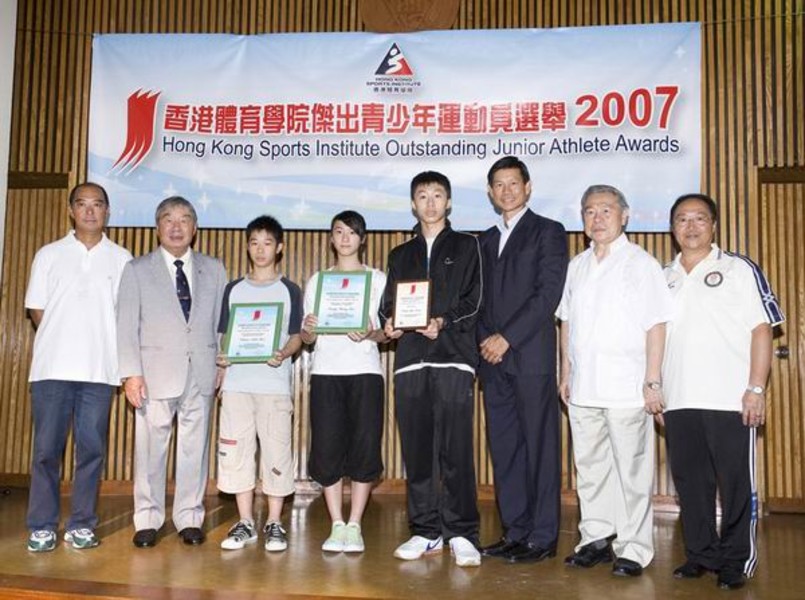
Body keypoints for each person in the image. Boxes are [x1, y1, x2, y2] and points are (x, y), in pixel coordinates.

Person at [662, 193, 784, 590]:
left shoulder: (738, 269)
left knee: (735, 484)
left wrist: (756, 387)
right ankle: (700, 554)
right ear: (673, 228)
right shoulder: (664, 276)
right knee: (690, 484)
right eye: (682, 220)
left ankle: (736, 560)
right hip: (679, 399)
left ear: (714, 225)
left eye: (700, 219)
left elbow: (762, 328)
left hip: (730, 398)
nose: (691, 227)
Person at [557, 184, 672, 577]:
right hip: (584, 386)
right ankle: (595, 537)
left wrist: (652, 381)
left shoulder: (642, 263)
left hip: (627, 386)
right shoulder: (577, 265)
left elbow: (657, 324)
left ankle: (634, 548)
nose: (598, 218)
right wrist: (566, 371)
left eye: (606, 210)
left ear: (625, 215)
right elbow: (566, 321)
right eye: (590, 211)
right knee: (589, 467)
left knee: (632, 470)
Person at [380, 171, 483, 567]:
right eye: (422, 196)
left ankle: (461, 532)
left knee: (456, 449)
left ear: (449, 202)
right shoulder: (399, 254)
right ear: (413, 204)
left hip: (453, 357)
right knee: (418, 451)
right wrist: (388, 320)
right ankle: (425, 530)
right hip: (409, 361)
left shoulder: (468, 246)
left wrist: (443, 321)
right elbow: (389, 302)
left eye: (438, 195)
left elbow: (475, 301)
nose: (430, 203)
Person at [24, 182, 132, 552]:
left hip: (100, 372)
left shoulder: (122, 259)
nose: (89, 211)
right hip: (52, 369)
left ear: (107, 212)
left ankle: (82, 523)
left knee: (91, 450)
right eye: (82, 204)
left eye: (97, 205)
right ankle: (42, 525)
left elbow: (125, 316)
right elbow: (37, 310)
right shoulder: (49, 254)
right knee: (46, 451)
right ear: (70, 210)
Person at [117, 196, 227, 548]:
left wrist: (222, 361)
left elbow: (220, 323)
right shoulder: (136, 269)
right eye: (168, 219)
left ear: (195, 229)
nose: (176, 227)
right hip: (154, 374)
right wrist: (130, 373)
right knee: (150, 450)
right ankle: (147, 518)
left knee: (195, 449)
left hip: (202, 370)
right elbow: (125, 326)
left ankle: (189, 517)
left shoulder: (214, 268)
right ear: (157, 227)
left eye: (184, 220)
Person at [477, 156, 568, 563]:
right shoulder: (483, 240)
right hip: (491, 362)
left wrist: (507, 338)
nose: (507, 190)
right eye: (499, 184)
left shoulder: (548, 231)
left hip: (530, 358)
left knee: (540, 449)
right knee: (507, 449)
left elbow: (547, 294)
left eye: (514, 183)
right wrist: (486, 342)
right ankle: (515, 530)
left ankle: (543, 536)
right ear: (491, 193)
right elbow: (475, 302)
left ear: (528, 187)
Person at [300, 210, 387, 553]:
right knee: (327, 447)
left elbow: (387, 332)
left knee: (365, 447)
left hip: (365, 371)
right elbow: (307, 339)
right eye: (339, 232)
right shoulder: (318, 281)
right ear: (331, 238)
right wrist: (307, 328)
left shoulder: (377, 279)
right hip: (326, 372)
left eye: (352, 232)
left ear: (362, 239)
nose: (346, 238)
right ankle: (336, 522)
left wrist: (371, 331)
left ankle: (355, 524)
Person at [216, 215, 302, 552]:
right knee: (236, 452)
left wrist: (283, 352)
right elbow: (225, 335)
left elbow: (297, 336)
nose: (260, 249)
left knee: (277, 451)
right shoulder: (233, 289)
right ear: (248, 247)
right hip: (237, 385)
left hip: (274, 387)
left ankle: (275, 522)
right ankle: (246, 522)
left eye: (268, 243)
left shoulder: (289, 289)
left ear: (279, 247)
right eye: (254, 243)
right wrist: (223, 357)